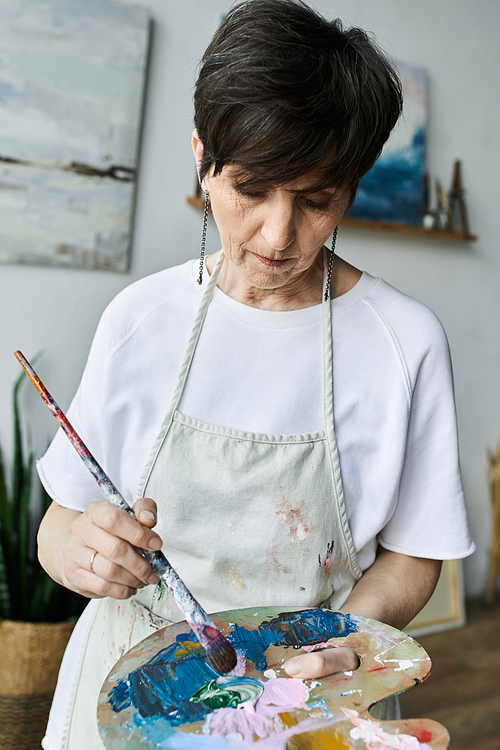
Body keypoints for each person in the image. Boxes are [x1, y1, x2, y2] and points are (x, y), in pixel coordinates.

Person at [36, 1, 474, 748]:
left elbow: (415, 551)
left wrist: (343, 637)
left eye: (316, 201)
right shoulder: (139, 318)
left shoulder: (406, 341)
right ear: (203, 158)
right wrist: (79, 552)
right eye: (250, 189)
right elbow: (61, 523)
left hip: (316, 695)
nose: (279, 235)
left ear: (353, 187)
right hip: (135, 699)